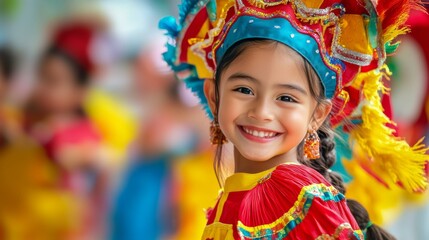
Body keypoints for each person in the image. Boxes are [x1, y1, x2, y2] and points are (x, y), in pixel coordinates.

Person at [160, 0, 428, 239]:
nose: (262, 112)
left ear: (317, 115)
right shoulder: (238, 196)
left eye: (286, 98)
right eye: (244, 90)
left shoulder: (292, 199)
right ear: (214, 96)